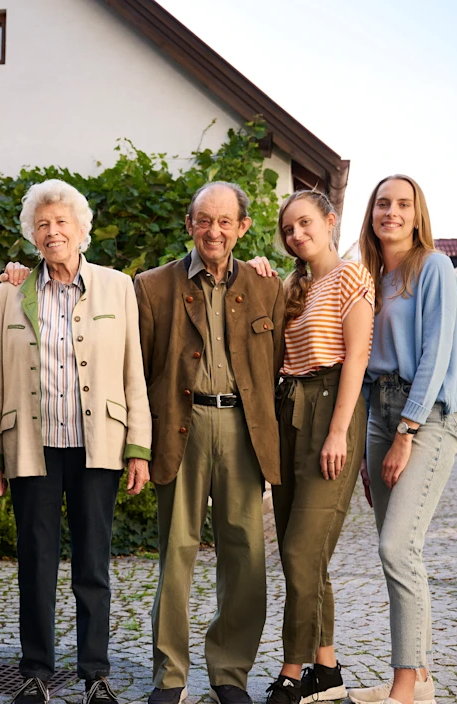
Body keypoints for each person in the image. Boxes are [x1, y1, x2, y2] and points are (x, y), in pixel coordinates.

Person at [0, 178, 152, 704]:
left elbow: (133, 371)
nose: (53, 231)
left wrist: (138, 447)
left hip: (97, 442)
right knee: (35, 560)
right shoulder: (11, 293)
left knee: (92, 562)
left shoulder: (117, 287)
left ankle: (94, 673)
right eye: (42, 225)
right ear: (31, 236)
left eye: (62, 223)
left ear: (82, 230)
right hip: (33, 445)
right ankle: (35, 672)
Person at [134, 181, 285, 704]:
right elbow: (140, 370)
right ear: (189, 224)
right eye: (204, 220)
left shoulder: (270, 287)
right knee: (176, 551)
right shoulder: (152, 286)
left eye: (225, 221)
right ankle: (169, 676)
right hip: (183, 424)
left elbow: (286, 355)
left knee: (245, 552)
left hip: (244, 431)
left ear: (242, 227)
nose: (214, 230)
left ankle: (230, 672)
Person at [346, 175, 457, 704]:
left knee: (399, 546)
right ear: (371, 213)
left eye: (402, 204)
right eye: (381, 203)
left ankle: (405, 690)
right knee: (394, 552)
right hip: (380, 412)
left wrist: (405, 433)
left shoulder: (433, 268)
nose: (390, 212)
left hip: (428, 416)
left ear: (417, 216)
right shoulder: (370, 278)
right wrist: (376, 439)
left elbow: (437, 356)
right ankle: (419, 679)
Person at [264, 191, 374, 704]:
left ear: (330, 222)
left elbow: (356, 358)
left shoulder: (352, 275)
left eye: (305, 223)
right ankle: (327, 672)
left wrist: (337, 431)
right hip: (290, 409)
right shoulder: (294, 284)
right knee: (304, 555)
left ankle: (291, 672)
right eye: (288, 229)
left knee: (300, 549)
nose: (296, 235)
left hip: (332, 407)